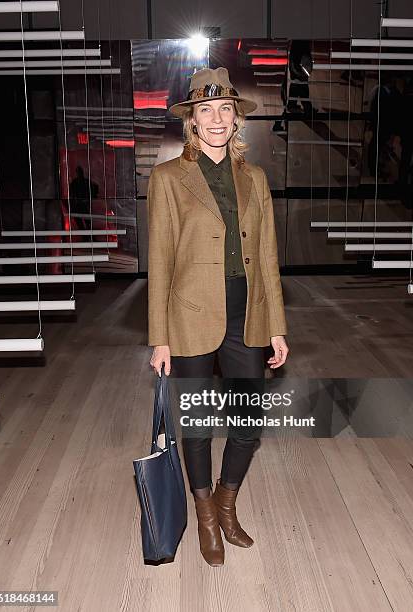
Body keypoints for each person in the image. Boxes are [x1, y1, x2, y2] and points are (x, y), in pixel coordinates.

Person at [147, 67, 289, 567]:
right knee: (201, 424)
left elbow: (268, 257)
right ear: (192, 121)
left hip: (245, 313)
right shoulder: (167, 178)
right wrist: (159, 337)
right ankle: (205, 513)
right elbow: (160, 260)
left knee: (248, 423)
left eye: (225, 109)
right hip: (189, 315)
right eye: (205, 110)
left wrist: (276, 326)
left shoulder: (254, 179)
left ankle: (228, 501)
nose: (215, 118)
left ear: (235, 122)